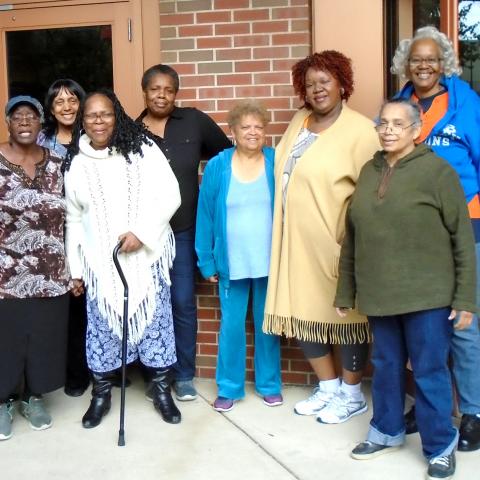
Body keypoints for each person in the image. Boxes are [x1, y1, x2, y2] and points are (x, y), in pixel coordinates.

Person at [336, 98, 476, 480]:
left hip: (428, 295)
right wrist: (345, 291)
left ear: (417, 130)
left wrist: (465, 298)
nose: (389, 129)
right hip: (381, 294)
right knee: (385, 366)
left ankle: (439, 446)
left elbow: (462, 239)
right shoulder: (369, 171)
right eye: (383, 122)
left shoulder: (437, 171)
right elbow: (353, 237)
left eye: (399, 123)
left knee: (429, 371)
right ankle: (386, 431)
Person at [263, 51, 379, 424]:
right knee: (303, 312)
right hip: (293, 242)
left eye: (324, 81)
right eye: (310, 84)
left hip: (336, 243)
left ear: (342, 83)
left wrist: (354, 238)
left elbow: (374, 189)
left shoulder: (361, 131)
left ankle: (351, 394)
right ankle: (328, 388)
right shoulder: (300, 120)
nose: (317, 89)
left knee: (345, 318)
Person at [64, 90, 182, 428]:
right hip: (100, 266)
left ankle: (162, 392)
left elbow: (170, 194)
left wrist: (142, 233)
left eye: (105, 114)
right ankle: (100, 395)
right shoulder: (77, 164)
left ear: (117, 115)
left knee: (156, 326)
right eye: (91, 115)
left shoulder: (142, 150)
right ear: (82, 121)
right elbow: (72, 219)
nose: (98, 121)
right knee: (101, 332)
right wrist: (75, 270)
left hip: (146, 258)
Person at [392, 25, 480, 452]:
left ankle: (474, 413)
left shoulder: (466, 103)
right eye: (415, 59)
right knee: (424, 326)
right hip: (416, 235)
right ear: (405, 65)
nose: (423, 65)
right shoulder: (397, 106)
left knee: (464, 325)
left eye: (431, 58)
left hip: (467, 224)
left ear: (443, 62)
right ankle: (431, 407)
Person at [137, 64, 232, 401]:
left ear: (175, 93)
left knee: (180, 301)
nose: (161, 95)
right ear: (144, 92)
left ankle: (184, 375)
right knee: (150, 305)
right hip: (146, 236)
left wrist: (214, 203)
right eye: (155, 89)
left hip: (184, 231)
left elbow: (226, 155)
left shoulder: (193, 121)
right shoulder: (131, 132)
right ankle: (155, 373)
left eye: (168, 90)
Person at [195, 99, 282, 412]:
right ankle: (229, 388)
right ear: (232, 131)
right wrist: (205, 259)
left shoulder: (275, 160)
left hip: (268, 263)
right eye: (245, 127)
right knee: (231, 327)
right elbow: (204, 215)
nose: (253, 132)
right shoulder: (219, 165)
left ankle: (269, 384)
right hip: (231, 263)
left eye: (259, 127)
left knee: (266, 326)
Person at [0, 96, 71, 440]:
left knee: (43, 337)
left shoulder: (58, 161)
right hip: (5, 274)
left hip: (51, 270)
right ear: (8, 124)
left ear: (41, 123)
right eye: (18, 116)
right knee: (7, 339)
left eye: (31, 115)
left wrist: (75, 266)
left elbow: (73, 214)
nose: (25, 121)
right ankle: (3, 401)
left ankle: (33, 397)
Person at [37, 79, 90, 397]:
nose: (67, 107)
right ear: (51, 109)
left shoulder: (94, 136)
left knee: (93, 303)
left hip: (91, 229)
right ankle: (73, 373)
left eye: (72, 100)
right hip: (56, 232)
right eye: (59, 102)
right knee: (69, 305)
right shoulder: (42, 141)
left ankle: (104, 370)